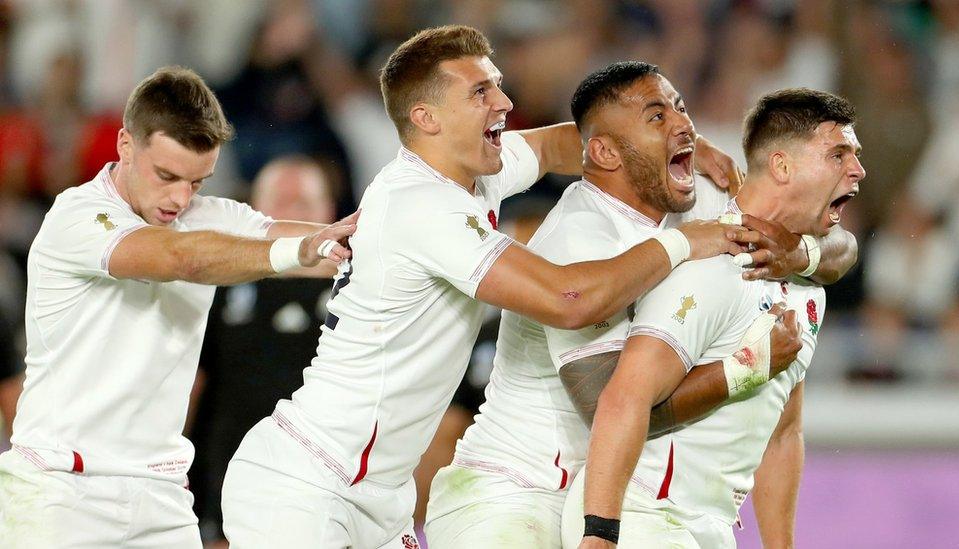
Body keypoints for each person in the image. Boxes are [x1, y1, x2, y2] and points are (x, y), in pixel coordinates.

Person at [220, 25, 765, 549]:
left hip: (378, 497)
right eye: (481, 91)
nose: (504, 102)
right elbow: (567, 299)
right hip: (308, 481)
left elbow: (560, 146)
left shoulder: (475, 172)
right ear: (425, 117)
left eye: (498, 84)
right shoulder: (420, 203)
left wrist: (680, 142)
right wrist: (684, 243)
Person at [424, 62, 856, 548]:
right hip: (511, 494)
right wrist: (746, 369)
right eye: (656, 116)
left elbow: (829, 238)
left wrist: (799, 254)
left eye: (682, 108)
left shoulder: (693, 203)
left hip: (595, 496)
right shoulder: (581, 237)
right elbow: (611, 403)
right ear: (607, 153)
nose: (683, 124)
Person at [0, 66, 357, 548]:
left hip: (163, 498)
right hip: (62, 492)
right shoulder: (76, 217)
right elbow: (180, 258)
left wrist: (392, 239)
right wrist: (302, 250)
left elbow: (319, 245)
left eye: (197, 182)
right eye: (166, 175)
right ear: (126, 144)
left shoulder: (209, 217)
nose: (179, 199)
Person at [566, 87, 865, 548]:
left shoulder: (808, 286)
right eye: (838, 153)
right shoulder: (711, 264)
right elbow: (624, 396)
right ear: (782, 166)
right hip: (644, 515)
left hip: (708, 527)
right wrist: (600, 534)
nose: (857, 170)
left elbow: (781, 435)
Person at [188, 155, 339, 547]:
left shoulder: (359, 291)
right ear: (254, 214)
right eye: (279, 202)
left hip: (326, 477)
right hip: (227, 475)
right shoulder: (214, 287)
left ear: (328, 213)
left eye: (304, 204)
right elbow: (190, 380)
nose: (292, 213)